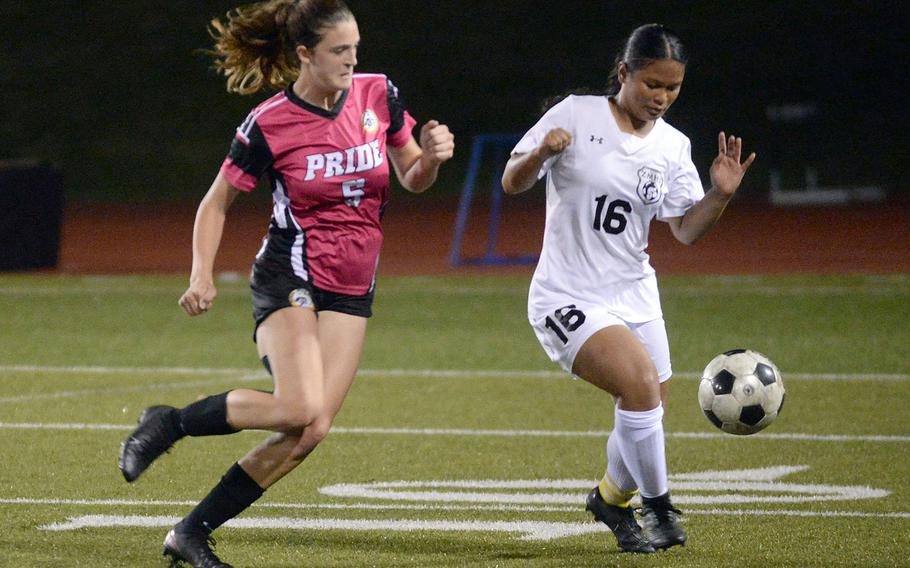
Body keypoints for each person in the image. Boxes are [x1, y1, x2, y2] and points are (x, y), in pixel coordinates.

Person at [117, 1, 454, 566]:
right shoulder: (269, 123)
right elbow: (216, 202)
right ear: (304, 54)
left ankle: (189, 534)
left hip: (352, 284)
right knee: (298, 404)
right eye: (338, 51)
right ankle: (170, 422)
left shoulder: (378, 94)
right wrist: (202, 274)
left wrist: (435, 159)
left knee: (311, 428)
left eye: (356, 48)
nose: (352, 60)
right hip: (289, 273)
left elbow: (412, 175)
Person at [502, 23, 755, 553]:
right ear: (624, 73)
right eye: (652, 85)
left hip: (635, 294)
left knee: (648, 409)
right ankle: (659, 510)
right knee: (639, 387)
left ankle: (611, 499)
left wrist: (720, 195)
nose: (662, 98)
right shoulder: (574, 113)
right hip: (566, 294)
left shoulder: (672, 146)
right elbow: (511, 182)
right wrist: (541, 153)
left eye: (673, 88)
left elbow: (685, 229)